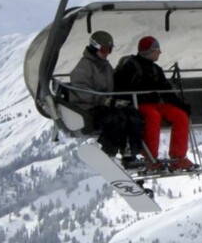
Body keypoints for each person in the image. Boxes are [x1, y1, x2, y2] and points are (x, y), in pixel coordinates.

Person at [113, 36, 195, 171]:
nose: (159, 53)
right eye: (157, 50)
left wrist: (181, 105)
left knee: (180, 115)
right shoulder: (131, 67)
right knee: (153, 116)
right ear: (149, 51)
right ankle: (150, 158)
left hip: (153, 103)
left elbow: (166, 90)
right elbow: (121, 88)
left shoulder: (155, 69)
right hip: (137, 104)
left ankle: (178, 157)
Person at [67, 31, 144, 163]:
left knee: (133, 114)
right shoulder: (84, 67)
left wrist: (118, 100)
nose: (107, 53)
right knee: (115, 118)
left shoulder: (105, 66)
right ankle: (108, 151)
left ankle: (131, 152)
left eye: (109, 49)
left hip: (104, 105)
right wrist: (106, 101)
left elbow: (112, 86)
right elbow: (82, 91)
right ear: (94, 47)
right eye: (104, 49)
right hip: (87, 108)